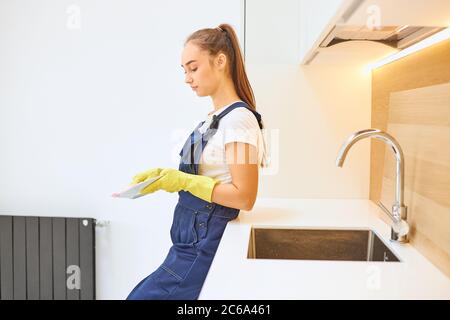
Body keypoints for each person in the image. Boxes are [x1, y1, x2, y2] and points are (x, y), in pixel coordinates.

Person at [126, 23, 267, 300]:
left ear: (220, 61)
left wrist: (183, 180)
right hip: (184, 248)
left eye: (193, 68)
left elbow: (245, 196)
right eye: (184, 70)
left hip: (201, 251)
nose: (187, 78)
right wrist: (165, 179)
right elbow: (205, 174)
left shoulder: (239, 120)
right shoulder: (213, 118)